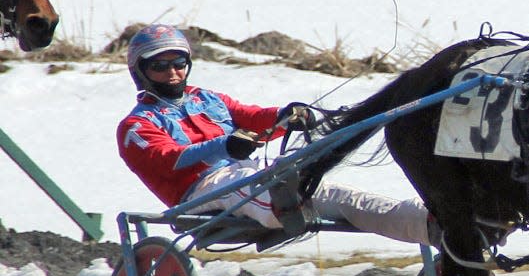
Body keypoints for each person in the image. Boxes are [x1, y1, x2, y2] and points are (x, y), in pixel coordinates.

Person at [117, 24, 438, 246]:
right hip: (201, 192)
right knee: (242, 186)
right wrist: (225, 145)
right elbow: (166, 159)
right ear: (141, 71)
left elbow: (253, 117)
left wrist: (287, 115)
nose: (172, 72)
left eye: (179, 62)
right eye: (160, 65)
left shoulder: (209, 99)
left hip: (255, 173)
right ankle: (283, 204)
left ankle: (429, 223)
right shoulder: (135, 127)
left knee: (341, 196)